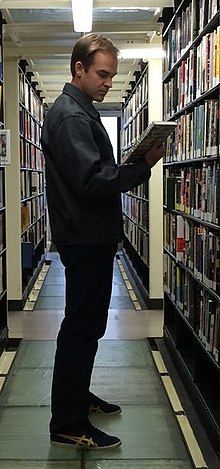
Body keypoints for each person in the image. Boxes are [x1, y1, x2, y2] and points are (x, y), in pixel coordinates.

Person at [41, 33, 164, 450]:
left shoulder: (78, 111)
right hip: (85, 238)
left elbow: (90, 173)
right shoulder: (71, 117)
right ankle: (67, 423)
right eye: (102, 74)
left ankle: (77, 398)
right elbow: (93, 180)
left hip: (87, 235)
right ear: (79, 69)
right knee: (81, 328)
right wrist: (141, 167)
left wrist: (126, 166)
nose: (109, 82)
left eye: (111, 75)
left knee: (87, 326)